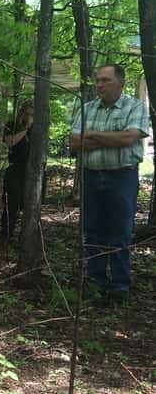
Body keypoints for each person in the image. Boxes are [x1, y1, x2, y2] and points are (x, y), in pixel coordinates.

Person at [70, 63, 149, 301]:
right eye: (97, 80)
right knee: (93, 230)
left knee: (120, 231)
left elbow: (128, 138)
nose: (99, 85)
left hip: (122, 176)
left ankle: (119, 286)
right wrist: (110, 139)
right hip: (92, 176)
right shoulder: (87, 108)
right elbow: (74, 143)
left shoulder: (134, 107)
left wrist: (92, 136)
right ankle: (95, 282)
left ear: (121, 82)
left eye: (105, 80)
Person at [0, 100, 34, 242]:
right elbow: (10, 142)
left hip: (33, 172)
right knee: (11, 205)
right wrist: (26, 128)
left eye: (32, 114)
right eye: (26, 113)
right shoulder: (12, 125)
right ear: (21, 111)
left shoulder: (39, 128)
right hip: (15, 170)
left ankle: (26, 238)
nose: (29, 116)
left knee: (30, 206)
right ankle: (5, 236)